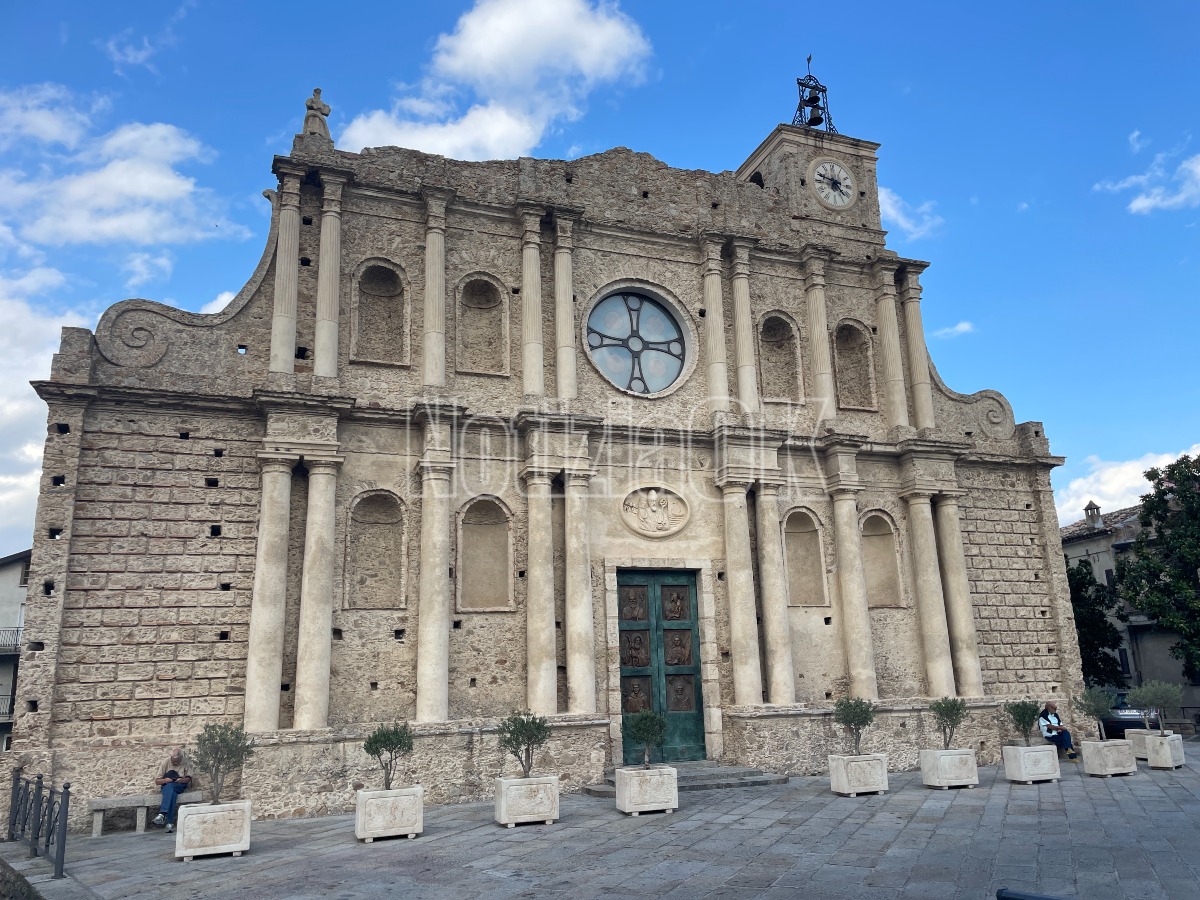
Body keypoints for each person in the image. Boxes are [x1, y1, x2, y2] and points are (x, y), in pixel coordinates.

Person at [152, 746, 193, 833]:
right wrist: (165, 780)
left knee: (171, 788)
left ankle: (162, 814)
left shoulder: (186, 763)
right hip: (166, 785)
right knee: (172, 794)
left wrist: (181, 780)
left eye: (177, 761)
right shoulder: (166, 762)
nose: (175, 763)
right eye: (173, 761)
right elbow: (157, 781)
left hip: (179, 785)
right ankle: (169, 824)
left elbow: (189, 779)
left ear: (181, 758)